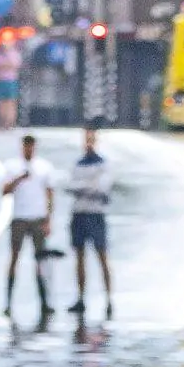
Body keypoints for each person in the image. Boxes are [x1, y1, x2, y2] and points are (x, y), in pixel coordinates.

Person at [1, 133, 55, 324]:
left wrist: (48, 219)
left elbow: (50, 193)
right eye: (26, 146)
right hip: (19, 218)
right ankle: (7, 301)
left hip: (37, 218)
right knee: (14, 257)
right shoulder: (13, 166)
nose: (28, 150)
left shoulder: (43, 167)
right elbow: (4, 190)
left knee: (40, 261)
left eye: (31, 146)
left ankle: (45, 301)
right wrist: (19, 179)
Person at [67, 125, 113, 320]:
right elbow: (71, 185)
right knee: (79, 257)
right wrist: (88, 185)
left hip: (96, 214)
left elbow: (102, 187)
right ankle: (81, 296)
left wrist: (84, 187)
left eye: (91, 139)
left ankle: (109, 298)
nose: (88, 143)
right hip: (80, 213)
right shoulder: (78, 164)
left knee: (102, 256)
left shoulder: (103, 163)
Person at [0, 36, 23, 129]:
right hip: (0, 80)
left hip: (11, 81)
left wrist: (5, 64)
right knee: (1, 102)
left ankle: (10, 122)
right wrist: (6, 65)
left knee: (11, 102)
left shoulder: (15, 54)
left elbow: (15, 65)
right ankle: (2, 121)